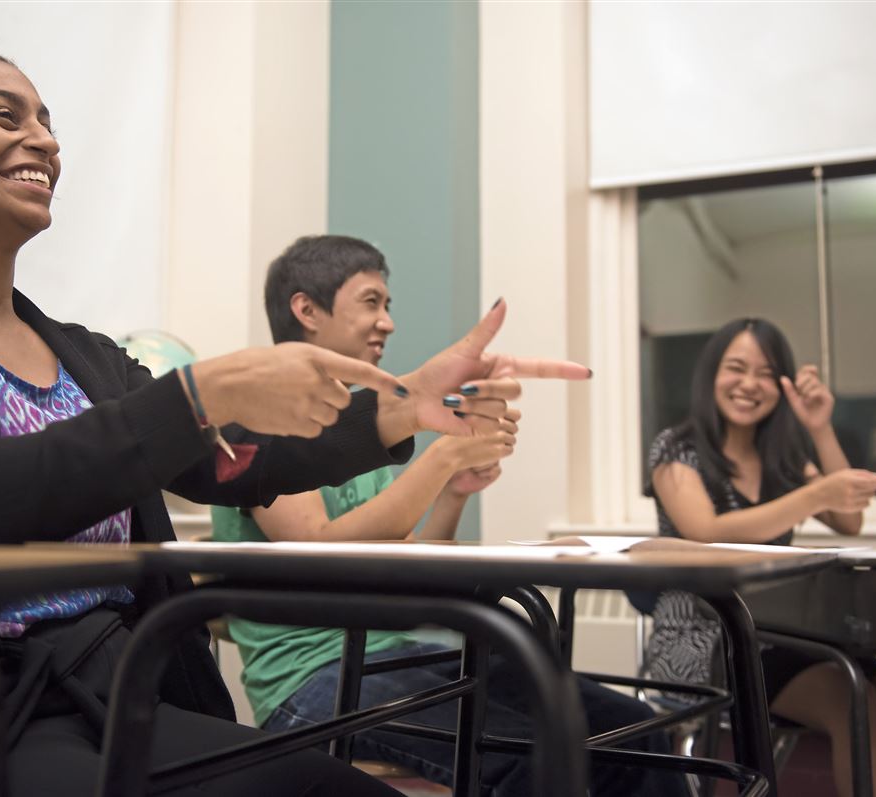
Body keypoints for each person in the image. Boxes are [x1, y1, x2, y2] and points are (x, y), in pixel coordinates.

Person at [0, 14, 591, 797]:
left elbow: (243, 455)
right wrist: (199, 394)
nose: (45, 139)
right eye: (2, 114)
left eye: (48, 119)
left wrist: (408, 405)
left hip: (109, 691)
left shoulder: (80, 352)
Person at [211, 235, 688, 797]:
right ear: (306, 310)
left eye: (387, 306)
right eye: (371, 302)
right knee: (530, 759)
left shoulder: (352, 426)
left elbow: (406, 557)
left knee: (632, 731)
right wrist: (442, 454)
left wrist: (453, 490)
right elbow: (321, 549)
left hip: (393, 655)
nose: (386, 322)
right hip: (311, 682)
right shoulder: (263, 412)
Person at [644, 317, 876, 796]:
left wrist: (820, 429)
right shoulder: (677, 449)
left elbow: (849, 520)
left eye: (765, 373)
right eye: (736, 368)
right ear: (711, 375)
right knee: (854, 698)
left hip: (780, 634)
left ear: (782, 386)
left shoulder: (783, 457)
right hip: (702, 639)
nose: (749, 384)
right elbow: (706, 533)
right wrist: (813, 495)